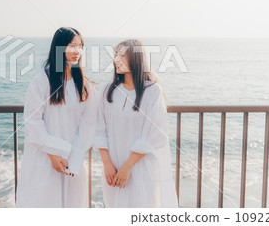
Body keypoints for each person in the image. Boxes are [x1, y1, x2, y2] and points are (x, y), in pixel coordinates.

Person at [15, 27, 96, 207]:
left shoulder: (84, 85)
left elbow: (89, 123)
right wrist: (53, 152)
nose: (77, 51)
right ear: (59, 47)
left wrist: (74, 153)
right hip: (44, 157)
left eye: (80, 46)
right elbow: (33, 121)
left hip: (72, 160)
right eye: (71, 45)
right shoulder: (41, 81)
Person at [94, 38, 178, 208]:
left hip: (140, 169)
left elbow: (153, 134)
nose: (117, 59)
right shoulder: (107, 91)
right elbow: (98, 129)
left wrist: (127, 167)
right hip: (113, 170)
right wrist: (107, 164)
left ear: (136, 59)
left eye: (122, 55)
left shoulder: (152, 91)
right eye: (116, 55)